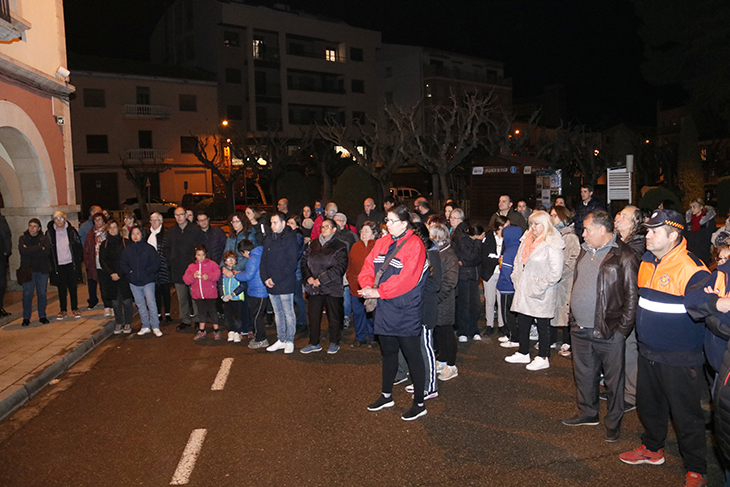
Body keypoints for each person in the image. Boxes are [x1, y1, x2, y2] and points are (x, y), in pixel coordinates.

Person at [619, 209, 710, 487]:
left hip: (680, 358)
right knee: (650, 407)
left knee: (686, 416)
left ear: (673, 235)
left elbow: (705, 313)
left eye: (654, 231)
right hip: (649, 352)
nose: (647, 236)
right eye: (646, 230)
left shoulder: (693, 269)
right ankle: (652, 449)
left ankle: (697, 469)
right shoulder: (647, 260)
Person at [561, 211, 639, 443]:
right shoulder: (585, 251)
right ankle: (588, 413)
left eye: (587, 230)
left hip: (609, 330)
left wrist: (621, 331)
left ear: (602, 231)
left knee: (614, 382)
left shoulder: (624, 255)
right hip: (580, 328)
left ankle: (613, 422)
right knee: (584, 375)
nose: (583, 234)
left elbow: (632, 297)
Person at [360, 205, 429, 421]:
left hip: (405, 309)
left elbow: (407, 279)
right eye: (387, 221)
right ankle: (386, 395)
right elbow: (368, 266)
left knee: (412, 354)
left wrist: (378, 292)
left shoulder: (415, 245)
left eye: (391, 221)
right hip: (384, 308)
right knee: (388, 352)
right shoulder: (382, 242)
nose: (387, 225)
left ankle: (419, 403)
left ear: (404, 223)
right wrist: (367, 286)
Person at [505, 210, 565, 371]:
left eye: (537, 224)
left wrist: (540, 285)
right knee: (523, 321)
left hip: (542, 291)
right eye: (531, 224)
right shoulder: (526, 239)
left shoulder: (553, 242)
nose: (533, 227)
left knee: (543, 324)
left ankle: (543, 356)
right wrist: (515, 277)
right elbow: (518, 260)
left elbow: (556, 271)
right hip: (523, 287)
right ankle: (523, 351)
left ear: (545, 224)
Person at [614, 205, 647, 410]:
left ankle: (631, 394)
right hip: (618, 301)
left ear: (635, 223)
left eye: (624, 216)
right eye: (618, 215)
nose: (618, 218)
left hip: (629, 303)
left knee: (629, 347)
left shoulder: (637, 245)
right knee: (619, 348)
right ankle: (619, 388)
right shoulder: (621, 241)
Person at [300, 217, 348, 354]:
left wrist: (320, 279)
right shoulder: (313, 244)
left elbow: (340, 267)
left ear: (334, 229)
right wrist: (308, 277)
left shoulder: (340, 245)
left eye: (327, 227)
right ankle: (314, 342)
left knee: (334, 316)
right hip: (314, 287)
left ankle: (334, 341)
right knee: (314, 316)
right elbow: (304, 261)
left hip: (331, 286)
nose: (323, 229)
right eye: (322, 227)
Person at [260, 212, 300, 354]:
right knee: (278, 313)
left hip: (284, 282)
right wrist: (265, 278)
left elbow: (291, 263)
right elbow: (263, 260)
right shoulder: (269, 238)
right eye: (271, 223)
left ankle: (290, 340)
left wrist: (274, 279)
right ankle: (281, 339)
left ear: (283, 224)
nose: (272, 226)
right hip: (271, 283)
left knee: (288, 313)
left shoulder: (290, 239)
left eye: (275, 223)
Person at [164, 206, 203, 331]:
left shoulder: (195, 230)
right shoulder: (171, 232)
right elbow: (166, 248)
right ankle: (185, 320)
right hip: (178, 269)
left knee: (194, 296)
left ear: (186, 215)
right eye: (176, 215)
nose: (179, 217)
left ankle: (198, 320)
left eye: (181, 214)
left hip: (193, 269)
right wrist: (172, 258)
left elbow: (201, 247)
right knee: (182, 297)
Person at [549, 205, 581, 355]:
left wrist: (559, 273)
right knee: (554, 310)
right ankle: (552, 339)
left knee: (566, 311)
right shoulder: (554, 236)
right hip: (556, 280)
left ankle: (568, 342)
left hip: (565, 281)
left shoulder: (570, 237)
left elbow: (573, 261)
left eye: (555, 215)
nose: (552, 218)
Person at [429, 223, 459, 381]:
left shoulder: (449, 255)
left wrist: (436, 298)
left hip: (444, 300)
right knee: (439, 332)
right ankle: (442, 360)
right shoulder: (437, 252)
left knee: (447, 333)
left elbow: (450, 282)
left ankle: (452, 366)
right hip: (435, 299)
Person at [121, 225, 161, 336]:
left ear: (142, 234)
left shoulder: (149, 248)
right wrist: (129, 272)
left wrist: (147, 271)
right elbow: (123, 264)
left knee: (151, 303)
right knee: (140, 305)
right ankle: (145, 325)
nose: (135, 236)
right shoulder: (127, 250)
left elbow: (156, 263)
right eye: (133, 234)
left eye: (138, 233)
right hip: (134, 282)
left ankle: (155, 326)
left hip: (148, 280)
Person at [449, 208, 482, 342]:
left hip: (467, 273)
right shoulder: (456, 232)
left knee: (467, 303)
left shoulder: (461, 233)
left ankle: (467, 330)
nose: (452, 220)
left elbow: (471, 257)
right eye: (451, 217)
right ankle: (469, 330)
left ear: (461, 220)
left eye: (455, 218)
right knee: (469, 303)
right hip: (468, 272)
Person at [99, 220, 134, 334]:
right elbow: (102, 261)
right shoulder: (104, 245)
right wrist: (111, 273)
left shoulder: (126, 242)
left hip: (124, 276)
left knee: (127, 301)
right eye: (110, 228)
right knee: (115, 302)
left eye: (114, 227)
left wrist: (120, 273)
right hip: (111, 277)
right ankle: (119, 322)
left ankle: (128, 323)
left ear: (119, 229)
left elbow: (129, 259)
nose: (113, 230)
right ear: (107, 230)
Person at [347, 220, 378, 347]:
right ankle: (360, 336)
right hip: (356, 286)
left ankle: (373, 336)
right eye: (362, 231)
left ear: (374, 234)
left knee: (371, 313)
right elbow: (350, 265)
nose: (363, 233)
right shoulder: (355, 246)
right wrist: (350, 279)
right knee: (358, 313)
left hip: (372, 286)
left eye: (366, 231)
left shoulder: (377, 246)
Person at [47, 211, 83, 320]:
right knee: (61, 288)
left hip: (70, 263)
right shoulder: (50, 233)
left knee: (72, 286)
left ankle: (75, 308)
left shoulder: (71, 231)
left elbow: (78, 246)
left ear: (65, 219)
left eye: (61, 218)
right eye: (56, 219)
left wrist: (78, 260)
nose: (59, 221)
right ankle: (63, 309)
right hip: (58, 265)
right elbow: (48, 249)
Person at [235, 239, 270, 349]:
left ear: (245, 252)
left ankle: (261, 339)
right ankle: (258, 336)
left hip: (258, 291)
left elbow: (248, 276)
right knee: (257, 316)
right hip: (260, 290)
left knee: (256, 317)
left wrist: (236, 275)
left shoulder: (253, 259)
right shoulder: (261, 254)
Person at [184, 244, 222, 341]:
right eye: (198, 255)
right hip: (198, 295)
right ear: (195, 256)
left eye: (202, 254)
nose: (201, 257)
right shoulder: (191, 267)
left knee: (213, 311)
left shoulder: (212, 264)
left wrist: (208, 276)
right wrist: (193, 276)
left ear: (206, 255)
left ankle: (216, 330)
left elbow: (217, 274)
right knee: (201, 312)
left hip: (210, 294)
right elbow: (186, 280)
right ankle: (202, 330)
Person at [18, 218, 51, 326]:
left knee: (41, 293)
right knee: (27, 294)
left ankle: (42, 316)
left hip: (42, 270)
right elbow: (23, 251)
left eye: (34, 226)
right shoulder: (23, 238)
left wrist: (30, 249)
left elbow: (46, 252)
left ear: (39, 228)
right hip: (28, 270)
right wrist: (38, 248)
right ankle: (26, 318)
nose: (32, 228)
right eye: (30, 225)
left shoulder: (44, 238)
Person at [480, 215, 508, 336]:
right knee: (490, 300)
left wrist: (496, 258)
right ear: (500, 226)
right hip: (489, 273)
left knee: (501, 300)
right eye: (506, 226)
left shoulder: (507, 238)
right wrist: (497, 260)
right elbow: (484, 256)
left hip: (502, 273)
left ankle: (502, 324)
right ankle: (489, 324)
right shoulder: (489, 237)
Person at [497, 225, 523, 348]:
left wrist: (502, 283)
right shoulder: (519, 248)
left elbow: (506, 271)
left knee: (508, 314)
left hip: (507, 287)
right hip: (515, 287)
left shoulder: (509, 251)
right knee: (513, 313)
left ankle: (513, 337)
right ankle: (510, 335)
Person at [83, 212, 112, 316]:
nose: (97, 222)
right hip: (97, 263)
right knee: (103, 286)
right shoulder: (90, 234)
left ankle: (113, 305)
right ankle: (107, 307)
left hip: (109, 263)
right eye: (95, 220)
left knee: (110, 285)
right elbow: (87, 248)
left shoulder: (108, 231)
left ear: (103, 220)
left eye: (99, 219)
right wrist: (88, 263)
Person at [147, 212, 172, 323]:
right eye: (151, 220)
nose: (153, 222)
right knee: (155, 290)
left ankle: (167, 313)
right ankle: (157, 313)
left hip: (164, 265)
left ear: (161, 221)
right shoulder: (146, 234)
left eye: (156, 220)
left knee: (165, 290)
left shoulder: (167, 233)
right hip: (151, 267)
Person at [219, 251, 248, 343]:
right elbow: (220, 284)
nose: (231, 261)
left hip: (237, 298)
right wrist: (222, 295)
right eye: (228, 259)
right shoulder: (223, 273)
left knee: (237, 317)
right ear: (225, 261)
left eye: (233, 259)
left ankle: (237, 332)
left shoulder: (239, 272)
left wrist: (234, 294)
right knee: (227, 317)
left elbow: (243, 285)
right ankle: (230, 331)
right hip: (227, 299)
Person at [684, 198, 717, 266]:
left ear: (701, 207)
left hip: (703, 252)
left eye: (694, 207)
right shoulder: (689, 221)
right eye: (691, 207)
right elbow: (685, 234)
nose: (692, 209)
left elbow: (711, 234)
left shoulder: (709, 221)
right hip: (690, 251)